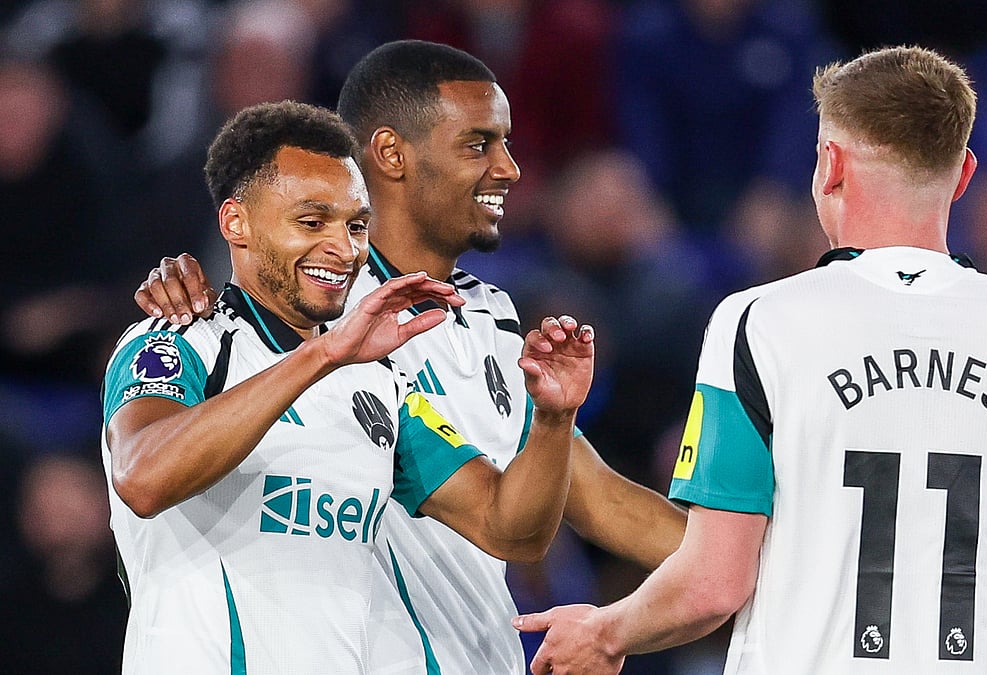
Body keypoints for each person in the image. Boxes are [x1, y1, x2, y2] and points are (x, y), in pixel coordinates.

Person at [513, 45, 987, 674]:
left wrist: (604, 634)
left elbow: (714, 583)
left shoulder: (761, 322)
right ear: (963, 175)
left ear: (830, 165)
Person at [133, 41, 686, 674]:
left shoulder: (492, 316)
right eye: (478, 145)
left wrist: (749, 557)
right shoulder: (316, 313)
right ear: (392, 154)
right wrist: (187, 293)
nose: (509, 169)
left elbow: (585, 499)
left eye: (505, 144)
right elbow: (158, 450)